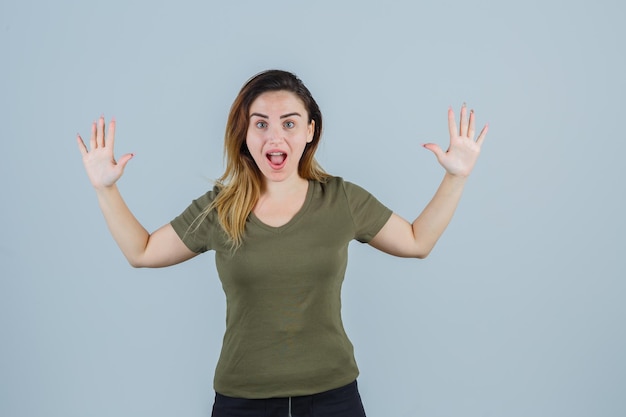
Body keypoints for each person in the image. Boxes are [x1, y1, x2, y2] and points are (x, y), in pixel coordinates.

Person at [76, 69, 488, 417]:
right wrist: (104, 189)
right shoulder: (220, 208)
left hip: (333, 398)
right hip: (242, 400)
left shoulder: (341, 199)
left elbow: (417, 241)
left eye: (289, 123)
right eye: (261, 123)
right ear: (245, 133)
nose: (276, 136)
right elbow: (142, 251)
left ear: (310, 131)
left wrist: (457, 176)